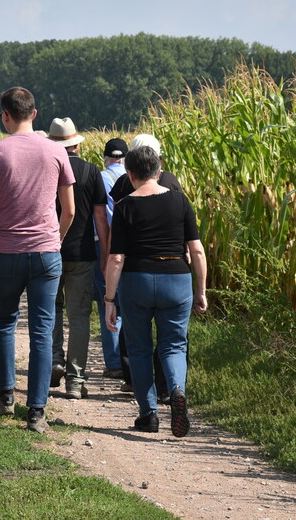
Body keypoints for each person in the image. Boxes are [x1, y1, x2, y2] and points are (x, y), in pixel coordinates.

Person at [0, 87, 75, 434]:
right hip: (46, 251)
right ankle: (36, 411)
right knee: (42, 330)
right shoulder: (56, 151)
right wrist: (55, 240)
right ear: (34, 113)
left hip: (6, 252)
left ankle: (5, 396)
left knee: (3, 322)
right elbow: (70, 209)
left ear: (4, 116)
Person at [104, 145, 207, 437]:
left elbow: (116, 258)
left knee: (138, 347)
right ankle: (176, 389)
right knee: (174, 344)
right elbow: (196, 251)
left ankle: (148, 414)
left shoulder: (124, 206)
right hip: (176, 278)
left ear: (130, 173)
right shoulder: (180, 201)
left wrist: (110, 299)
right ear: (159, 170)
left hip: (136, 280)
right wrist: (200, 290)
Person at [110, 133, 184, 401]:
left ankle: (143, 399)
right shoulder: (173, 184)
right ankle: (170, 387)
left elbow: (115, 239)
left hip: (134, 270)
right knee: (172, 340)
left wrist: (109, 294)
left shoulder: (124, 186)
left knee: (136, 338)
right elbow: (192, 243)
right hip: (174, 272)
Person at [47, 117, 109, 400]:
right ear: (76, 145)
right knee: (79, 315)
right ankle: (75, 379)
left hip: (48, 249)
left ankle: (54, 360)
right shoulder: (90, 171)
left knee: (51, 310)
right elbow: (100, 218)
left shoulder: (45, 168)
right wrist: (105, 255)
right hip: (82, 254)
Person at [96, 138, 128, 380]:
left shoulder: (101, 177)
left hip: (104, 244)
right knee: (129, 302)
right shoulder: (135, 178)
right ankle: (130, 361)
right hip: (132, 247)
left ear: (106, 157)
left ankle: (115, 362)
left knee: (107, 300)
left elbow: (99, 217)